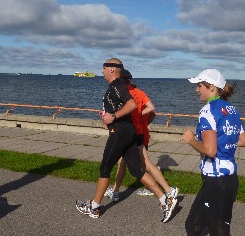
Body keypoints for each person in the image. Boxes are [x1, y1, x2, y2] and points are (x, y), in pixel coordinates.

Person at [75, 58, 177, 223]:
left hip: (120, 133)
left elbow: (131, 105)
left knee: (105, 168)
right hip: (128, 132)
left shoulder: (116, 86)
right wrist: (108, 115)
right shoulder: (118, 87)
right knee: (137, 170)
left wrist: (113, 117)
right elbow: (125, 107)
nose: (101, 71)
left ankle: (94, 207)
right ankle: (165, 200)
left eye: (103, 68)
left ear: (112, 69)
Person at [181, 69, 245, 236]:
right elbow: (243, 140)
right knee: (213, 226)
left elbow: (210, 151)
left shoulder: (207, 110)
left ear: (212, 87)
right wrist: (222, 142)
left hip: (215, 180)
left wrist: (191, 140)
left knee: (196, 226)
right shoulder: (232, 109)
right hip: (230, 178)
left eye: (199, 85)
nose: (197, 89)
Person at [104, 69, 178, 202]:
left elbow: (116, 114)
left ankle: (168, 190)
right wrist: (142, 117)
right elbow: (152, 109)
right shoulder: (139, 92)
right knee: (126, 162)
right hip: (141, 132)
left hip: (129, 133)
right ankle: (115, 190)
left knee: (144, 164)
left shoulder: (124, 94)